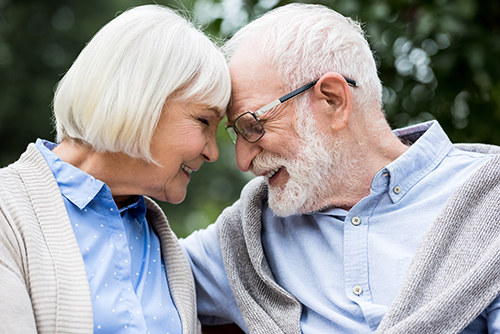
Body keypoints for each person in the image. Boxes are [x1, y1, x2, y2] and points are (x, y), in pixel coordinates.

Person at [180, 3, 500, 334]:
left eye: (252, 126)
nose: (243, 161)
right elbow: (135, 265)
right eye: (237, 134)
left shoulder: (491, 198)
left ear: (333, 101)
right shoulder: (246, 237)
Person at [0, 5, 230, 334]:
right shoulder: (7, 215)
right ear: (143, 99)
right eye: (204, 121)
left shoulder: (166, 249)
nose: (212, 152)